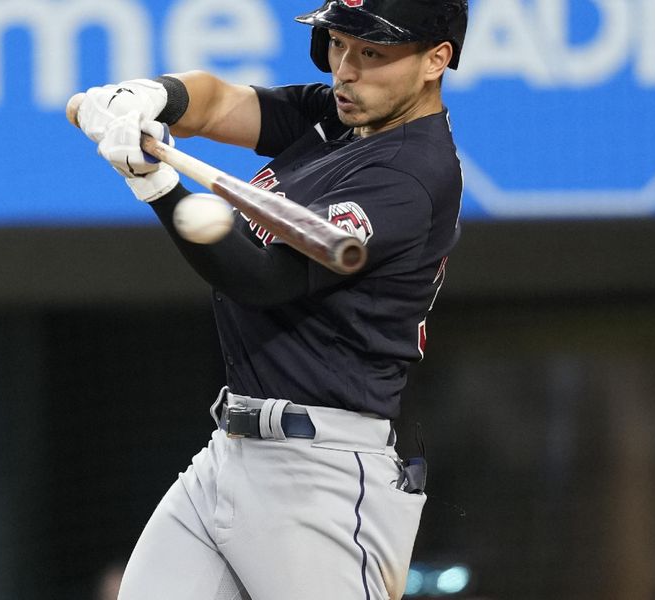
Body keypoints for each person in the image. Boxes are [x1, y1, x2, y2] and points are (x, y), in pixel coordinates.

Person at [75, 1, 468, 598]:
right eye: (339, 45)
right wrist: (147, 97)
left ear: (436, 60)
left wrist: (156, 186)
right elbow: (222, 103)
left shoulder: (411, 172)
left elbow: (263, 278)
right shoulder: (343, 119)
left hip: (323, 476)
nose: (346, 70)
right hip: (230, 452)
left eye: (372, 53)